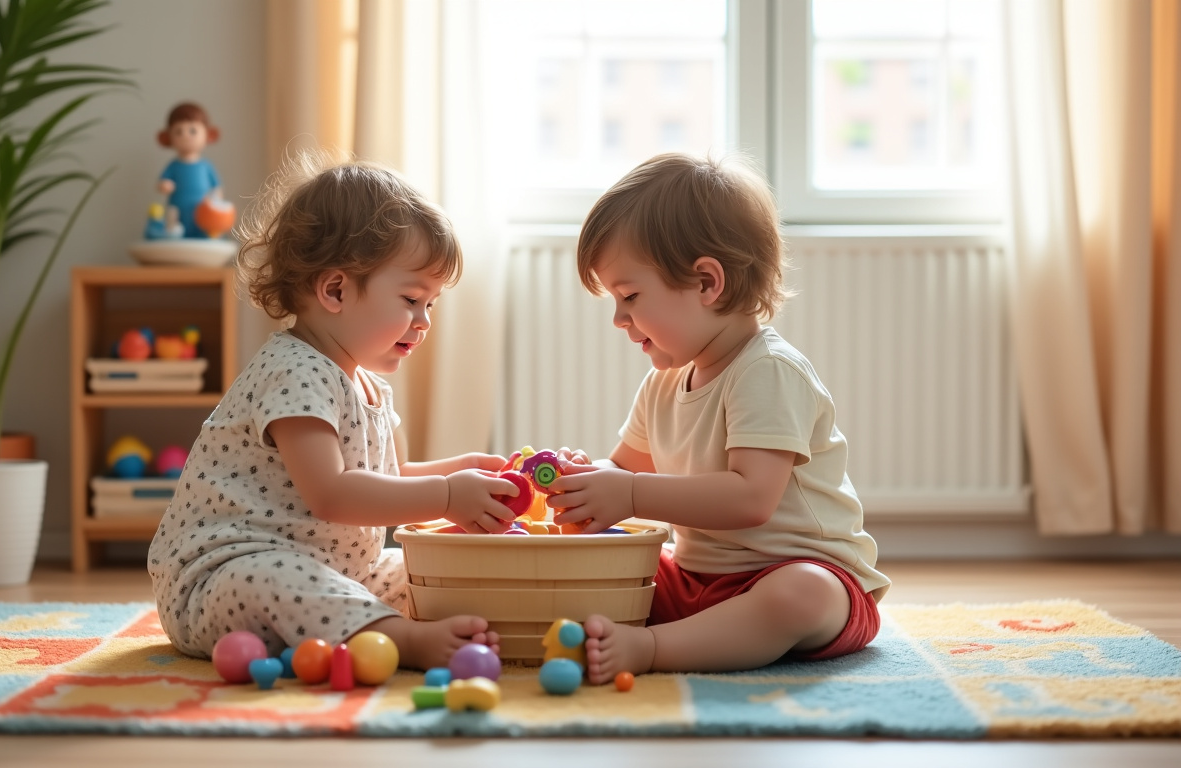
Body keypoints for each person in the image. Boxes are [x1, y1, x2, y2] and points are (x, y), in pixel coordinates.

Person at [148, 154, 522, 671]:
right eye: (413, 299)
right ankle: (402, 641)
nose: (424, 320)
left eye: (431, 304)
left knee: (431, 570)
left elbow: (388, 480)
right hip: (225, 577)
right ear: (336, 290)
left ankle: (448, 618)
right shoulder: (294, 372)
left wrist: (464, 472)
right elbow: (332, 493)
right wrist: (449, 496)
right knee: (278, 576)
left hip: (342, 571)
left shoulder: (367, 383)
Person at [548, 152, 890, 685]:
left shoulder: (768, 370)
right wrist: (583, 481)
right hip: (695, 578)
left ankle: (653, 646)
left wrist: (629, 491)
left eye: (630, 296)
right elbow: (623, 469)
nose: (618, 319)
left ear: (708, 283)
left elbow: (750, 499)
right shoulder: (663, 382)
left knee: (798, 595)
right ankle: (689, 632)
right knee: (602, 562)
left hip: (806, 577)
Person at [156, 102, 222, 238]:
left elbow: (217, 187)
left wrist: (216, 201)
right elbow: (162, 183)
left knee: (204, 231)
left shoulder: (206, 166)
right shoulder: (173, 166)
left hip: (202, 211)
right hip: (177, 210)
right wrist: (164, 185)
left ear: (208, 135)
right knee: (175, 230)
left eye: (193, 130)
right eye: (178, 131)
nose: (185, 135)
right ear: (168, 137)